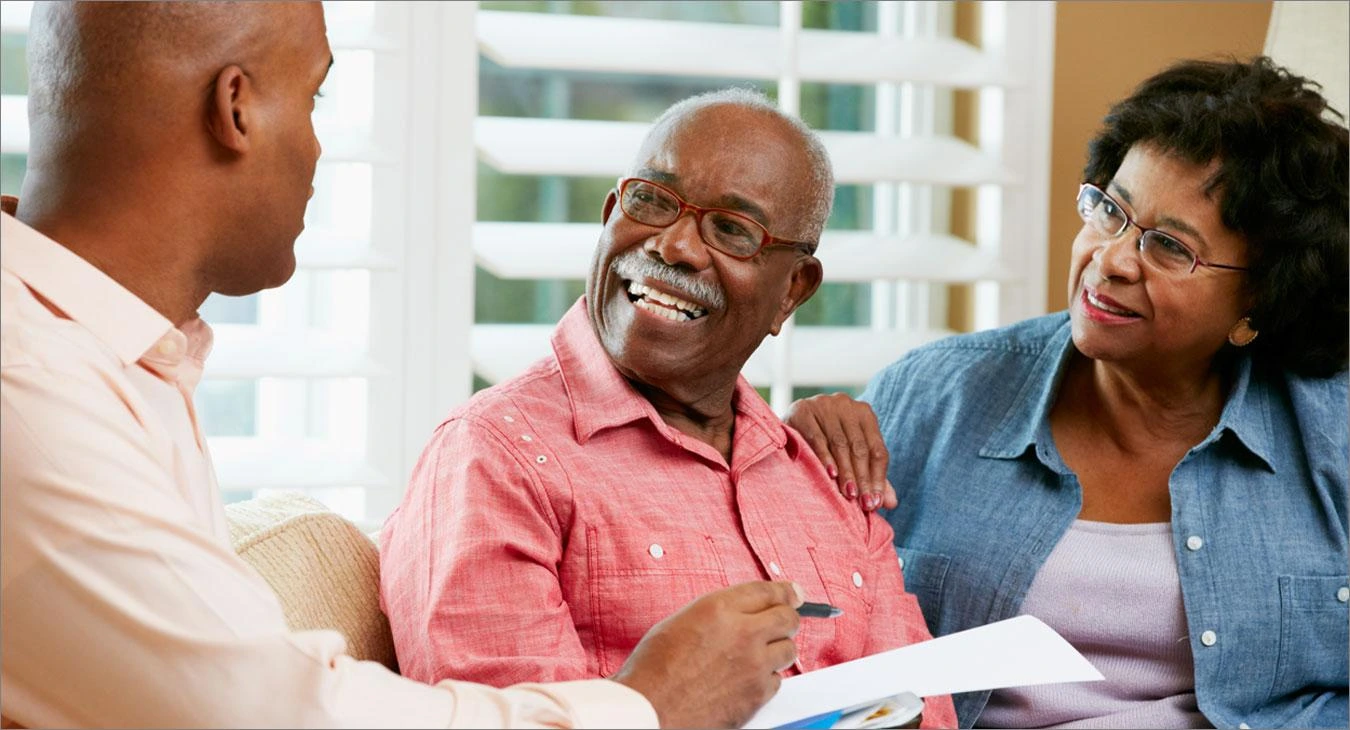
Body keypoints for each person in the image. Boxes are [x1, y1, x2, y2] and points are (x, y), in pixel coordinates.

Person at [0, 3, 807, 728]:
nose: (320, 149)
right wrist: (649, 706)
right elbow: (268, 713)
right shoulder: (30, 393)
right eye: (315, 97)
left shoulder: (111, 357)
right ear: (235, 109)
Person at [787, 57, 1348, 729]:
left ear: (1259, 302)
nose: (1110, 259)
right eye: (1110, 210)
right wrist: (785, 467)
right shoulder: (929, 396)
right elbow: (809, 636)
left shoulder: (1332, 433)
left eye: (1170, 247)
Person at [378, 89, 958, 729]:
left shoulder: (829, 476)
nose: (675, 246)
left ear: (791, 291)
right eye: (653, 201)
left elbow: (928, 710)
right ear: (610, 216)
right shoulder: (494, 457)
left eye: (731, 230)